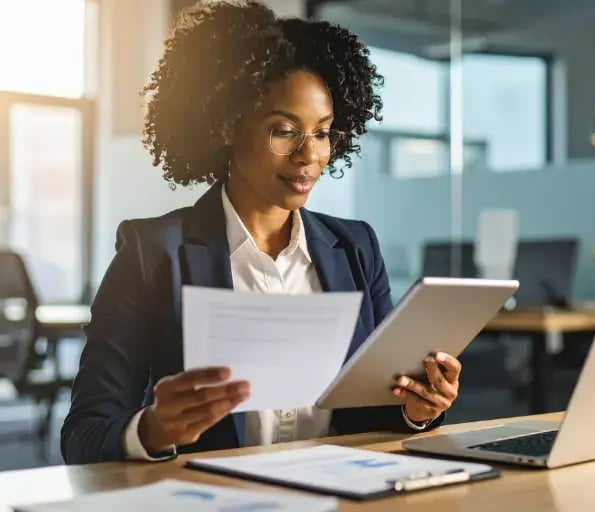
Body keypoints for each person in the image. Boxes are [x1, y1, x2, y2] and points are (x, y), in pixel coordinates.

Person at [61, 0, 462, 465]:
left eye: (323, 132)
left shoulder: (355, 249)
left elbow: (375, 416)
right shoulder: (152, 254)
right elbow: (84, 436)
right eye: (284, 130)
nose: (308, 156)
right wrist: (153, 429)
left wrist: (416, 410)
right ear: (228, 126)